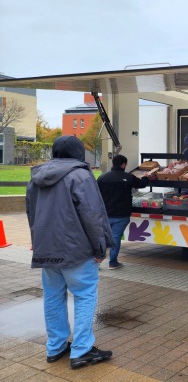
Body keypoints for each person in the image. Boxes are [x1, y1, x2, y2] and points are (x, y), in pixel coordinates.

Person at [26, 135, 114, 369]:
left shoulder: (35, 177)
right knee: (85, 296)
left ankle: (55, 347)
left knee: (53, 297)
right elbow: (93, 214)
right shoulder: (81, 176)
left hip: (47, 250)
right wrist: (100, 248)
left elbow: (31, 213)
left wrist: (38, 242)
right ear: (79, 154)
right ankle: (81, 350)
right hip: (77, 250)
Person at [97, 154, 149, 270]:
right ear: (124, 165)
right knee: (115, 238)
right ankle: (112, 262)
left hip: (105, 214)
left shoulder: (102, 177)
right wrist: (147, 177)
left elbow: (96, 194)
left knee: (103, 238)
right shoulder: (128, 177)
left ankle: (97, 263)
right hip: (121, 214)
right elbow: (142, 184)